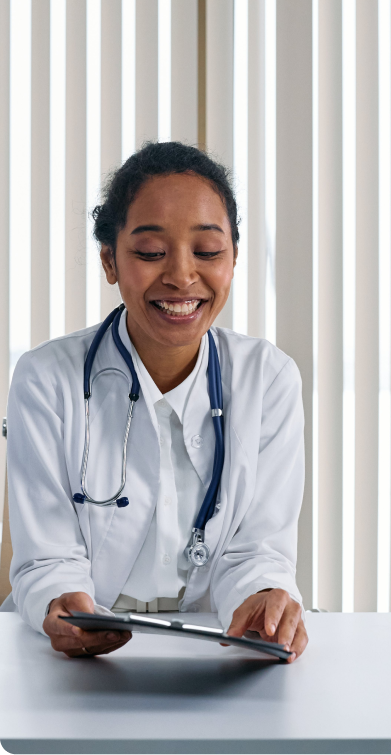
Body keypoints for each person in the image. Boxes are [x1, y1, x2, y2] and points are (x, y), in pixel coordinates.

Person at [5, 142, 308, 661]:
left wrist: (263, 600)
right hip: (71, 661)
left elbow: (258, 550)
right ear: (110, 260)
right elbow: (47, 557)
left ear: (233, 259)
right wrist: (64, 604)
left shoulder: (268, 378)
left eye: (208, 252)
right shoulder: (45, 378)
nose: (181, 276)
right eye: (149, 253)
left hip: (215, 649)